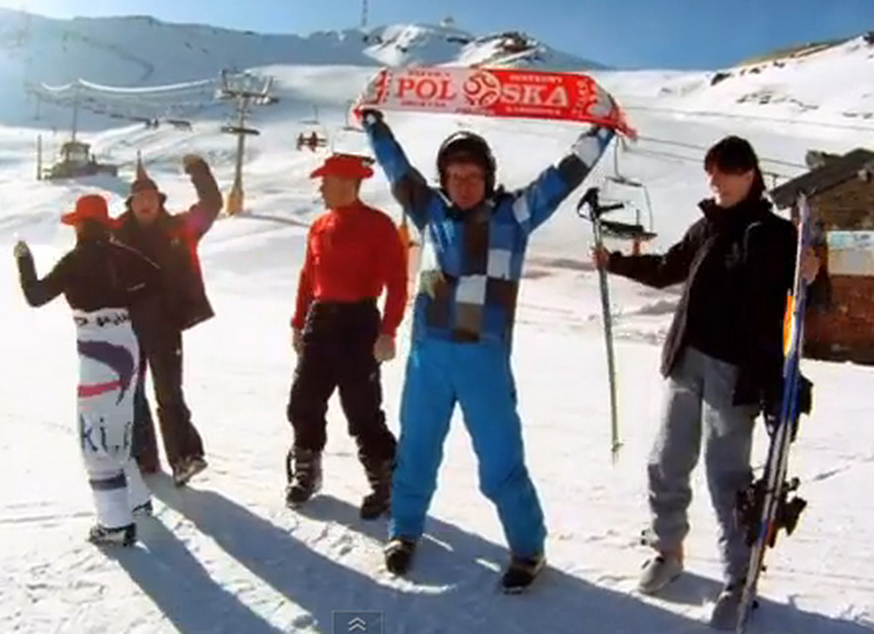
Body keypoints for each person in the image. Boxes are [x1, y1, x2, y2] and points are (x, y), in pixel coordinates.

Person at [361, 108, 615, 592]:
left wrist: (601, 133)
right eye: (454, 176)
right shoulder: (428, 211)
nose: (464, 184)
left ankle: (527, 547)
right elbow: (396, 168)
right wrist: (374, 125)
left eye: (474, 176)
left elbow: (561, 179)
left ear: (488, 178)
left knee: (500, 460)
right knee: (416, 450)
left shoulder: (513, 216)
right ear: (443, 179)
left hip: (484, 359)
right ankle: (404, 532)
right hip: (428, 356)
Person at [592, 135, 820, 629]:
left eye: (724, 171)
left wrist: (813, 275)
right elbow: (666, 268)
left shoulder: (777, 235)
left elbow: (815, 301)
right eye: (710, 170)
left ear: (749, 175)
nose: (713, 180)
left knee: (727, 477)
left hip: (735, 374)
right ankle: (667, 549)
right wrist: (616, 261)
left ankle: (740, 579)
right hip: (685, 361)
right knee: (667, 460)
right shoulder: (706, 227)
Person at [15, 194, 162, 546]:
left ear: (80, 225)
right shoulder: (121, 254)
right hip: (127, 343)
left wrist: (24, 262)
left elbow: (36, 296)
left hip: (98, 349)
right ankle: (137, 500)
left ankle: (114, 523)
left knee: (95, 432)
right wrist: (128, 296)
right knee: (120, 423)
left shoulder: (76, 259)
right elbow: (156, 278)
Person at [284, 153, 408, 518]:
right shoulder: (319, 225)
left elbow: (398, 283)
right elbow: (308, 278)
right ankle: (307, 472)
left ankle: (386, 482)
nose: (321, 188)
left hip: (359, 323)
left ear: (347, 184)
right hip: (320, 322)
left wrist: (388, 331)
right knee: (303, 401)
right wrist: (297, 322)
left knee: (362, 408)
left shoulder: (378, 225)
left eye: (326, 181)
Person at [114, 154, 222, 487]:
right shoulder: (115, 235)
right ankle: (143, 458)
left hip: (165, 321)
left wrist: (198, 171)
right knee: (131, 391)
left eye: (151, 199)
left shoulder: (178, 229)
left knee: (169, 392)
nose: (145, 204)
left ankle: (185, 457)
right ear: (131, 204)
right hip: (126, 322)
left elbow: (212, 205)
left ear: (159, 202)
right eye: (139, 199)